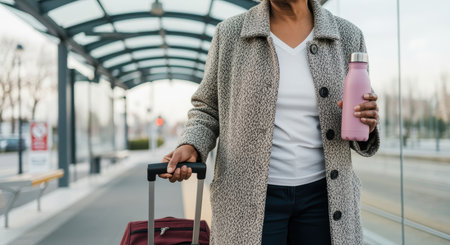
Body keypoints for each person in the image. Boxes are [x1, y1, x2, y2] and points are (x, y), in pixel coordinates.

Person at [158, 0, 380, 244]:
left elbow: (358, 109)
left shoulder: (347, 35)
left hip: (325, 198)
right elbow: (207, 108)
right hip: (247, 197)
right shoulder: (230, 34)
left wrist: (366, 122)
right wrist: (191, 145)